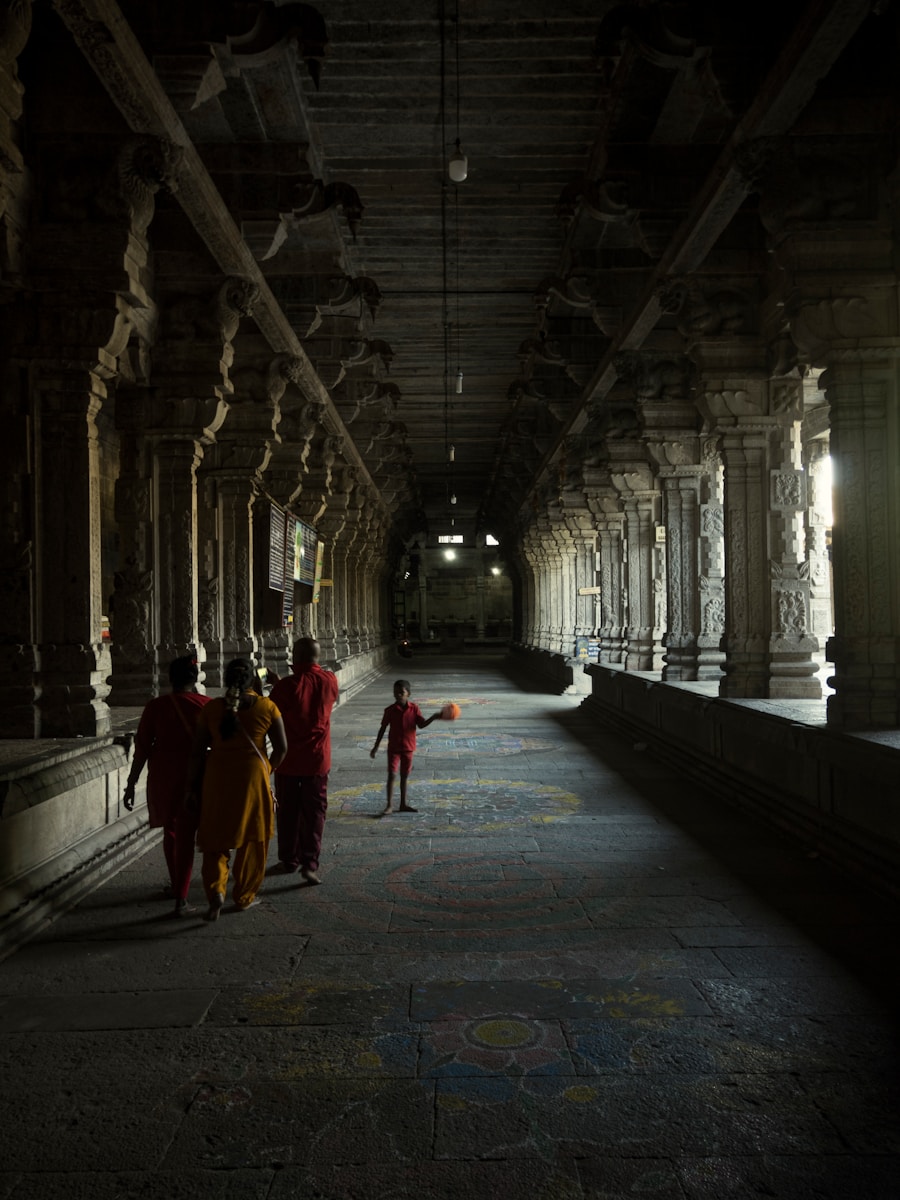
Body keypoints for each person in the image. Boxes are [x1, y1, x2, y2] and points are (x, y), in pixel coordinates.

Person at [188, 658, 287, 921]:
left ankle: (216, 891)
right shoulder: (267, 706)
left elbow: (197, 752)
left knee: (215, 838)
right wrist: (268, 770)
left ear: (225, 679)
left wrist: (191, 787)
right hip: (254, 777)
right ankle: (243, 896)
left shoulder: (211, 709)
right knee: (254, 838)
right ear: (253, 680)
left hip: (217, 775)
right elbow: (282, 748)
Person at [123, 656, 211, 917]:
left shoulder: (156, 707)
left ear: (169, 679)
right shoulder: (207, 706)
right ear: (195, 679)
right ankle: (181, 898)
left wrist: (131, 783)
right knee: (186, 835)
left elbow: (141, 749)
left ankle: (177, 887)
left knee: (172, 832)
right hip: (196, 778)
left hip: (163, 777)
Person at [269, 637, 339, 885]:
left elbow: (275, 709)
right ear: (317, 656)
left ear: (294, 657)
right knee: (315, 811)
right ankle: (310, 863)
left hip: (287, 761)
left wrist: (270, 686)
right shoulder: (330, 680)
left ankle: (289, 858)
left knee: (288, 811)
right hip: (317, 761)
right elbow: (312, 694)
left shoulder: (284, 687)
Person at [370, 679, 441, 815]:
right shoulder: (390, 710)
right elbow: (382, 729)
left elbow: (421, 724)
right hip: (394, 748)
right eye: (395, 692)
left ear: (408, 693)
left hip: (408, 748)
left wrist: (433, 717)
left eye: (401, 692)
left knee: (404, 776)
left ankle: (403, 803)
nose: (398, 695)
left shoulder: (414, 709)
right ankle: (389, 805)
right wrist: (375, 747)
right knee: (392, 774)